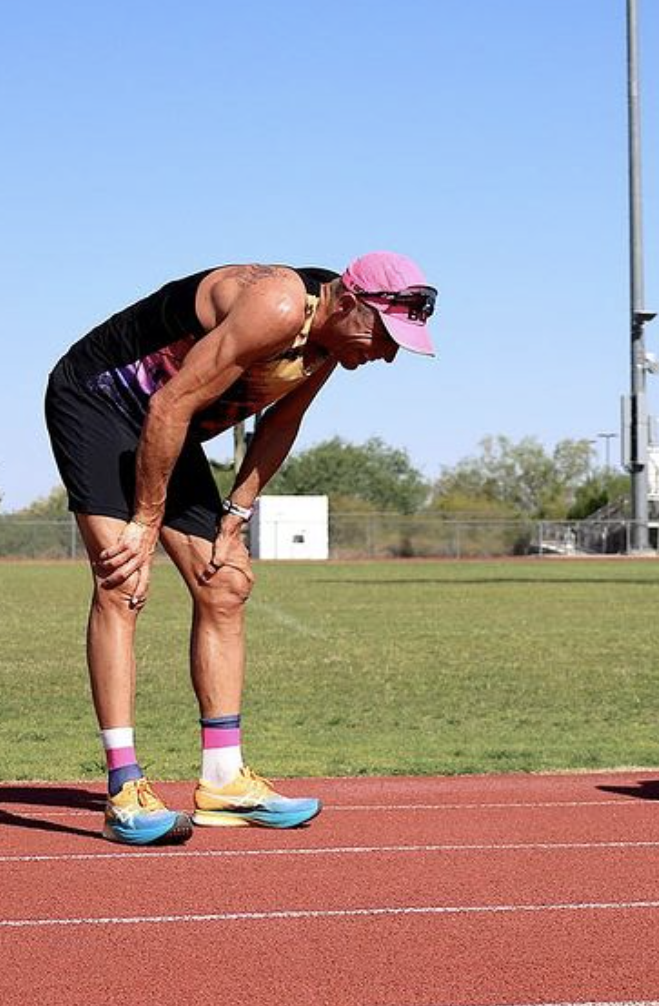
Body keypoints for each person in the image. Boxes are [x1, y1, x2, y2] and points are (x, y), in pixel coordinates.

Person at [44, 251, 438, 845]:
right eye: (386, 336)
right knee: (123, 581)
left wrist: (235, 518)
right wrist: (145, 524)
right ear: (350, 302)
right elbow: (169, 404)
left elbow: (280, 423)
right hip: (100, 400)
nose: (386, 353)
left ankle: (224, 781)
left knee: (224, 582)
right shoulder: (275, 306)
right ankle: (124, 789)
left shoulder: (331, 342)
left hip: (166, 425)